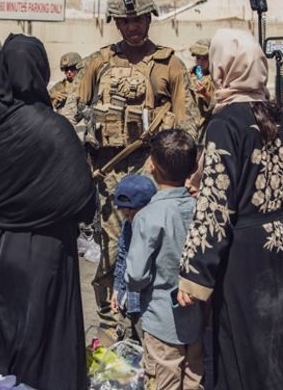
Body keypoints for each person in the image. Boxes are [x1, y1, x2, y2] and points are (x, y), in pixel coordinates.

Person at [176, 28, 283, 389]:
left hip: (242, 255)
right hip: (281, 246)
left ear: (223, 67)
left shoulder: (224, 124)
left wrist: (195, 274)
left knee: (242, 348)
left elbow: (215, 206)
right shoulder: (279, 117)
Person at [62, 0, 194, 336]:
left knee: (158, 253)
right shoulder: (97, 64)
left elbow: (188, 127)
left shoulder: (171, 66)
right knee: (111, 254)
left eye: (138, 19)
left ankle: (151, 326)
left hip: (158, 178)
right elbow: (71, 117)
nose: (132, 26)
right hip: (109, 178)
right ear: (116, 23)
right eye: (125, 20)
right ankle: (112, 326)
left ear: (150, 18)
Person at [0, 34, 96, 390]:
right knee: (47, 337)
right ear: (41, 71)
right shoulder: (55, 129)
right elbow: (84, 202)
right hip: (45, 250)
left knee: (4, 333)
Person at [126, 129, 202, 390]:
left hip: (160, 320)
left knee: (163, 382)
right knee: (194, 380)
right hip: (198, 319)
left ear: (151, 166)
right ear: (194, 167)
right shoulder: (201, 208)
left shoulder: (148, 216)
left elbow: (136, 275)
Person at [109, 174, 156, 343]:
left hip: (145, 307)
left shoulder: (155, 229)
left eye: (132, 214)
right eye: (125, 215)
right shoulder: (128, 226)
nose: (129, 219)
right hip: (127, 300)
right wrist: (116, 289)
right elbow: (122, 256)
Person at [188, 38, 216, 139]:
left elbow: (218, 106)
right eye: (198, 58)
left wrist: (205, 94)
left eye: (205, 58)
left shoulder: (216, 78)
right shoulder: (188, 75)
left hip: (207, 128)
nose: (200, 61)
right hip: (190, 127)